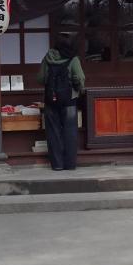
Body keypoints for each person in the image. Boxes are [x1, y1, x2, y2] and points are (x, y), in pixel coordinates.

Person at [38, 34, 86, 171]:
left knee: (53, 132)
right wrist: (79, 87)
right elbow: (80, 78)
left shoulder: (48, 58)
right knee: (70, 131)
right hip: (69, 100)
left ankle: (57, 164)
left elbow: (40, 78)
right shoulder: (73, 59)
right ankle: (70, 164)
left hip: (50, 100)